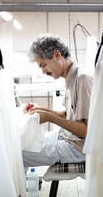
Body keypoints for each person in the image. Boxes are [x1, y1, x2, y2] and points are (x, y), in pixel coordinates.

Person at [22, 34, 93, 167]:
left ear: (57, 55)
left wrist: (49, 117)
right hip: (69, 137)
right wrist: (41, 110)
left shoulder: (82, 79)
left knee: (18, 154)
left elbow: (86, 131)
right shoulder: (70, 78)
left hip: (78, 148)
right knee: (24, 145)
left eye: (43, 65)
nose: (43, 71)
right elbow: (68, 116)